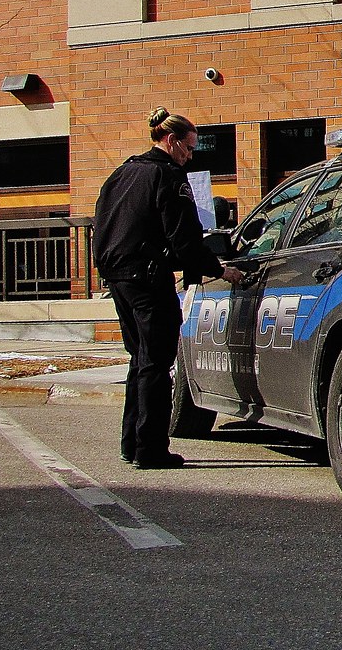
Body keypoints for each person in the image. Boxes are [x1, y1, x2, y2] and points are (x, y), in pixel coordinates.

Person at [93, 107, 244, 469]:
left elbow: (103, 223)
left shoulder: (122, 172)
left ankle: (132, 443)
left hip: (117, 276)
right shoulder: (168, 176)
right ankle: (151, 449)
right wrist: (218, 269)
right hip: (147, 278)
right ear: (171, 141)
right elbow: (184, 238)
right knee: (158, 364)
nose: (190, 156)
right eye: (189, 148)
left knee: (141, 360)